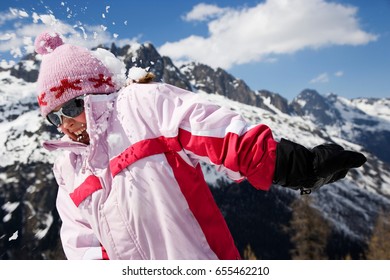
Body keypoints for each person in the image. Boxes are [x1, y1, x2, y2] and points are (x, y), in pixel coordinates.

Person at [35, 32, 366, 260]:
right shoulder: (68, 165)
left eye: (72, 108)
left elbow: (219, 134)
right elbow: (81, 241)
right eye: (54, 117)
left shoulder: (140, 106)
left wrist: (297, 167)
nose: (65, 125)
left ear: (96, 93)